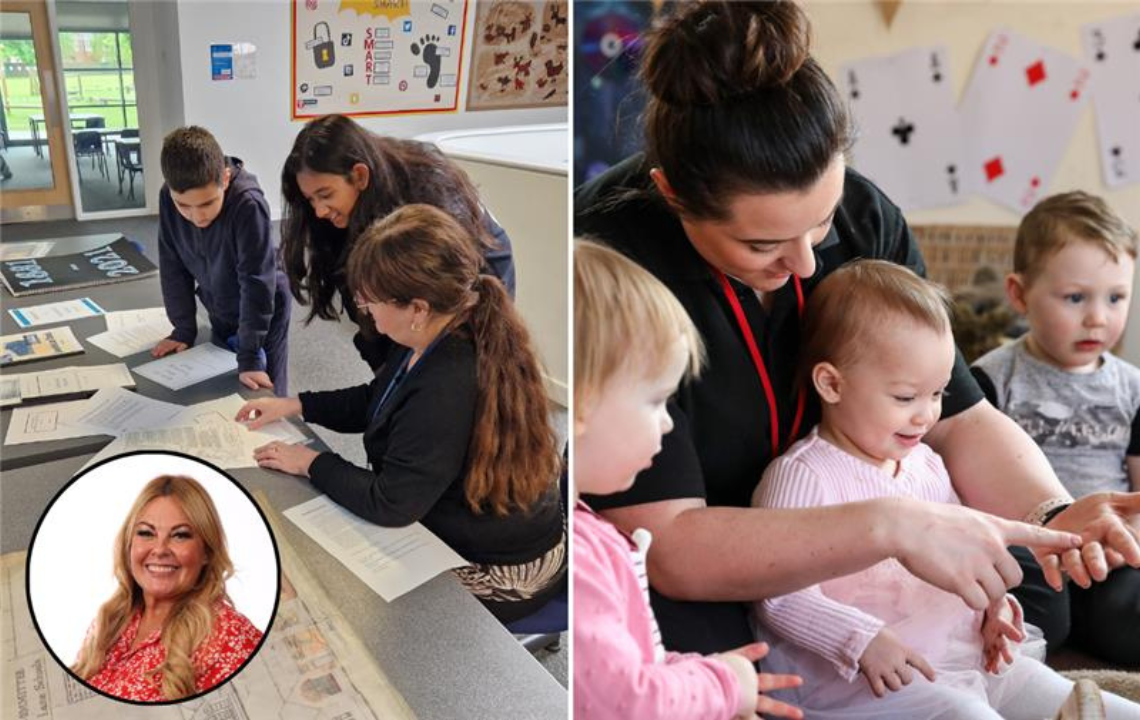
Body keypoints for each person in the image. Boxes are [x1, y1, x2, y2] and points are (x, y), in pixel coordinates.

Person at [573, 0, 1139, 658]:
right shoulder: (611, 258)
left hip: (869, 510)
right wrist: (891, 527)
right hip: (704, 543)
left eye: (821, 224)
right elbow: (669, 547)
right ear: (672, 194)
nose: (807, 263)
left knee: (1036, 590)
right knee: (706, 665)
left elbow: (957, 416)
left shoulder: (869, 216)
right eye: (764, 245)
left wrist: (1051, 516)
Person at [751, 260, 1140, 719]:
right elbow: (775, 593)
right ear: (832, 383)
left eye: (937, 394)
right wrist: (860, 640)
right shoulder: (804, 473)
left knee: (1081, 701)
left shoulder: (928, 463)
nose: (925, 415)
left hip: (958, 656)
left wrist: (994, 608)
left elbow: (967, 552)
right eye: (905, 397)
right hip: (858, 678)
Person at [236, 204, 564, 622]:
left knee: (340, 595)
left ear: (418, 307)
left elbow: (391, 503)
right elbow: (382, 399)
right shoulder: (439, 330)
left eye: (370, 300)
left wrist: (311, 462)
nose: (364, 309)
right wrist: (297, 404)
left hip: (503, 569)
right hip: (478, 519)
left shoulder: (448, 382)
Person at [574, 239, 804, 720]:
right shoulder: (582, 557)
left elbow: (626, 666)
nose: (669, 423)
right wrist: (721, 685)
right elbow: (627, 700)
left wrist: (702, 671)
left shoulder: (588, 534)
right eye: (656, 401)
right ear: (582, 406)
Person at [972, 191, 1140, 665]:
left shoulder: (1132, 389)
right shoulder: (990, 379)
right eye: (1075, 298)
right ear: (1019, 294)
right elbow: (968, 480)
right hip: (1030, 551)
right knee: (1035, 615)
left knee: (1126, 612)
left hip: (1111, 557)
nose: (1098, 317)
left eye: (1116, 297)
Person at [280, 114, 515, 371]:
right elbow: (361, 303)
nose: (319, 211)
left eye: (325, 195)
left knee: (454, 365)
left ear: (360, 176)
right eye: (311, 199)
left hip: (477, 267)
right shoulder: (341, 220)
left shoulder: (428, 195)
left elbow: (439, 302)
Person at [72, 475, 264, 702]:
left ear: (206, 553)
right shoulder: (108, 622)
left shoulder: (230, 636)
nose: (160, 549)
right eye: (146, 533)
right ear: (129, 544)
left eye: (180, 535)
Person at [153, 126, 291, 395]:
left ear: (225, 179)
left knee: (264, 391)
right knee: (222, 385)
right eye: (184, 206)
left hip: (263, 307)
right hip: (219, 303)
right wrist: (183, 329)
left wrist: (250, 356)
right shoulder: (168, 198)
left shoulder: (248, 204)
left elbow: (256, 283)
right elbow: (172, 265)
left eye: (207, 204)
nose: (197, 217)